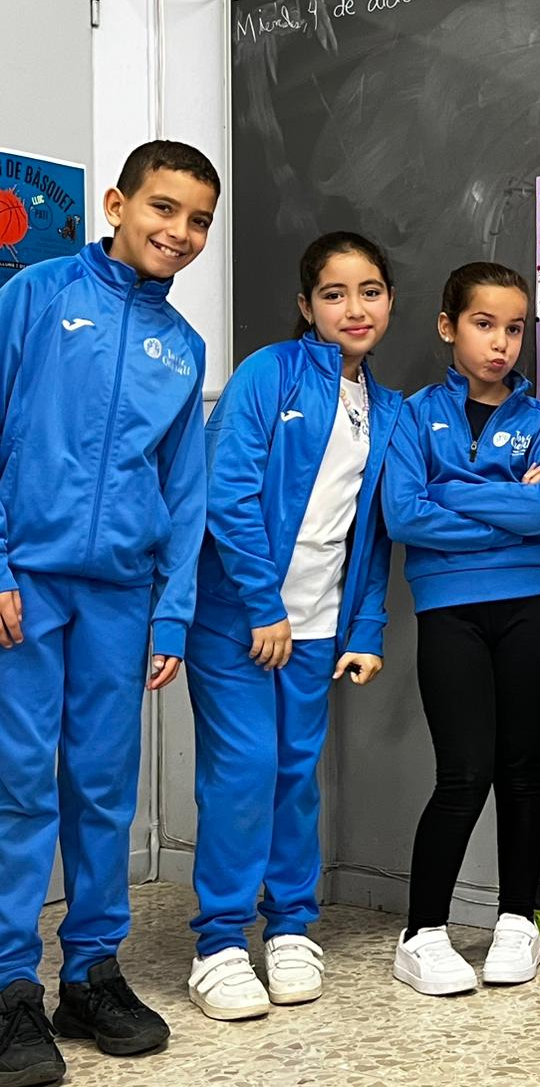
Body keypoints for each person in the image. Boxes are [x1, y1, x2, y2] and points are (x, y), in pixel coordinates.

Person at [0, 140, 216, 1087]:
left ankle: (90, 973)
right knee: (20, 786)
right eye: (164, 208)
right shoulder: (36, 296)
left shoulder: (185, 348)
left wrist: (172, 615)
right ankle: (8, 985)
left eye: (199, 220)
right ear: (119, 204)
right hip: (26, 584)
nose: (180, 232)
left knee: (101, 788)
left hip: (122, 598)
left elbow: (186, 492)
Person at [185, 232, 402, 1021]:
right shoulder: (267, 373)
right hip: (238, 620)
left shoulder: (389, 409)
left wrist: (366, 627)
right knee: (242, 772)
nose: (355, 307)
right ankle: (217, 944)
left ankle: (289, 927)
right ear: (307, 306)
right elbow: (227, 492)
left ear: (389, 301)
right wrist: (263, 606)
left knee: (293, 776)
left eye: (370, 291)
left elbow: (374, 535)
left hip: (316, 629)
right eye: (335, 294)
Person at [382, 262, 540, 996]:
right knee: (463, 773)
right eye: (484, 324)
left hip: (533, 608)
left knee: (522, 768)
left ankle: (517, 922)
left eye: (515, 329)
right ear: (448, 326)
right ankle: (422, 934)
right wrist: (502, 502)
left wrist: (450, 491)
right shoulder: (411, 415)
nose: (501, 344)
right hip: (449, 612)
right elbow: (404, 516)